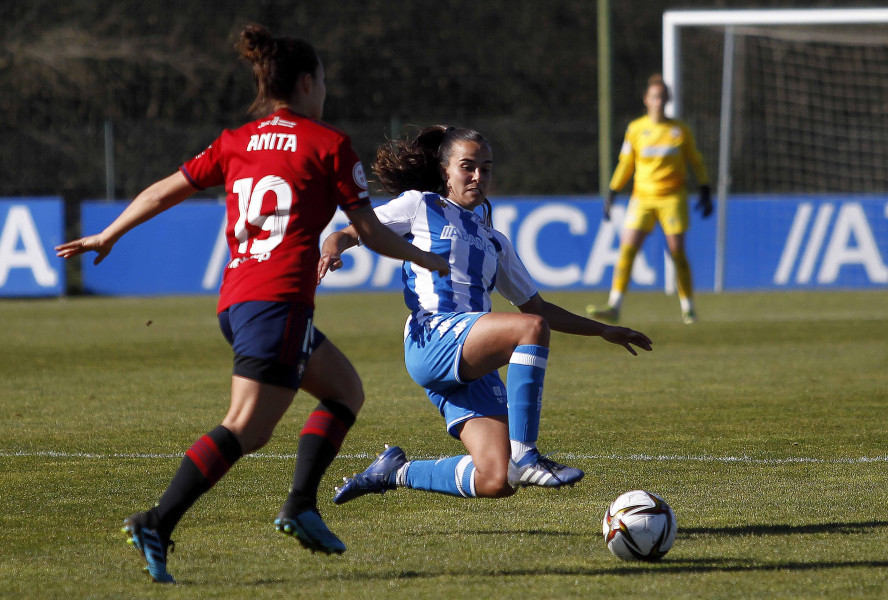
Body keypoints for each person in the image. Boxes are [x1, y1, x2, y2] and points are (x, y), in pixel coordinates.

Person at [55, 24, 448, 584]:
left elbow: (164, 189)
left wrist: (109, 233)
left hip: (238, 300)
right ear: (308, 82)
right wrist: (430, 260)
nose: (326, 90)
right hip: (279, 303)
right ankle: (158, 521)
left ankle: (301, 505)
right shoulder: (328, 144)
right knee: (246, 428)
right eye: (325, 80)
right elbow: (373, 233)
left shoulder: (236, 141)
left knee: (344, 391)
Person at [318, 126, 653, 506]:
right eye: (468, 167)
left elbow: (538, 307)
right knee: (530, 331)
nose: (478, 176)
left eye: (487, 168)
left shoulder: (495, 241)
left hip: (470, 356)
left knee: (497, 478)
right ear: (445, 171)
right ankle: (526, 455)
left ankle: (394, 471)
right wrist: (333, 248)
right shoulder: (421, 205)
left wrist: (604, 330)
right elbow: (352, 231)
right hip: (434, 336)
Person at [587, 74, 712, 325]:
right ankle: (614, 306)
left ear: (668, 99)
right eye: (655, 96)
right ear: (646, 99)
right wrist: (612, 192)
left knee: (677, 253)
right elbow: (626, 164)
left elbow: (695, 161)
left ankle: (688, 308)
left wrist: (705, 188)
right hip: (642, 198)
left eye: (663, 96)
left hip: (672, 198)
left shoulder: (679, 130)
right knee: (627, 250)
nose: (659, 101)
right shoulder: (636, 129)